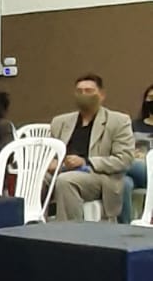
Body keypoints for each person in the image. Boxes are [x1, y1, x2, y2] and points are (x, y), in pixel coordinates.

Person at [49, 74, 135, 222]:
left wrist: (86, 161)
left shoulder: (118, 121)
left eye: (89, 91)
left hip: (98, 175)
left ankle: (70, 231)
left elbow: (124, 159)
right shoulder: (60, 122)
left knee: (66, 181)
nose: (83, 95)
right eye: (79, 91)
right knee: (32, 180)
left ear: (101, 95)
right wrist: (50, 163)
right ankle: (31, 224)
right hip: (62, 169)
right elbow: (50, 153)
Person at [121, 83, 153, 224]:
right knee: (123, 183)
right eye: (150, 98)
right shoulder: (133, 125)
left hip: (149, 170)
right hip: (134, 169)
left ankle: (95, 168)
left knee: (123, 163)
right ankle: (125, 227)